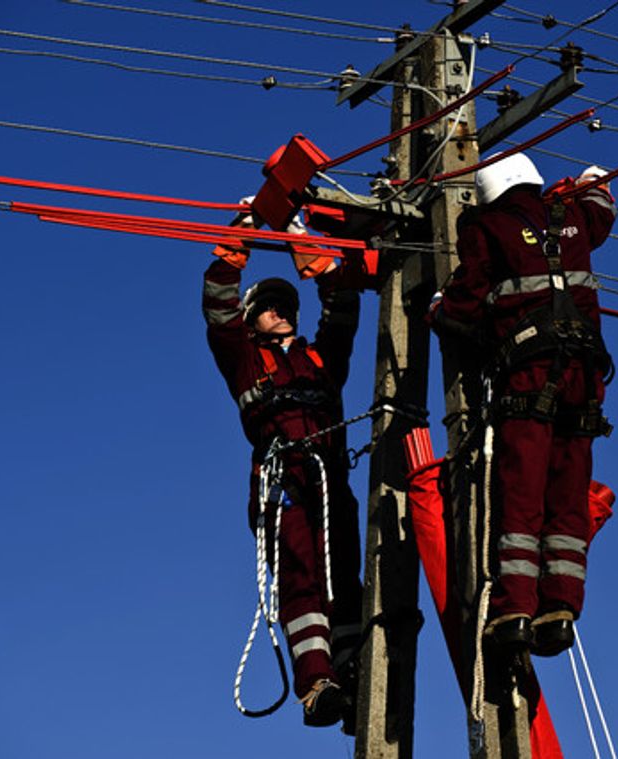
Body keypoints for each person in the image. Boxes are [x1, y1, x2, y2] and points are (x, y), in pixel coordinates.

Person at [429, 152, 617, 659]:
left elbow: (465, 304)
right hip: (585, 375)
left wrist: (438, 310)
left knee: (522, 494)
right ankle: (559, 610)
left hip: (530, 372)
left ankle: (513, 611)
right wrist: (590, 181)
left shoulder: (485, 226)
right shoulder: (573, 215)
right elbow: (602, 205)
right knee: (568, 492)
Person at [201, 209, 363, 730]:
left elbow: (342, 302)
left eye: (284, 305)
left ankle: (356, 676)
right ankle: (317, 683)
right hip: (282, 484)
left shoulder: (320, 359)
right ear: (254, 323)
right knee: (302, 582)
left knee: (346, 584)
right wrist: (240, 236)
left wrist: (299, 240)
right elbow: (219, 308)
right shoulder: (244, 360)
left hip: (331, 480)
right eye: (268, 308)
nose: (280, 311)